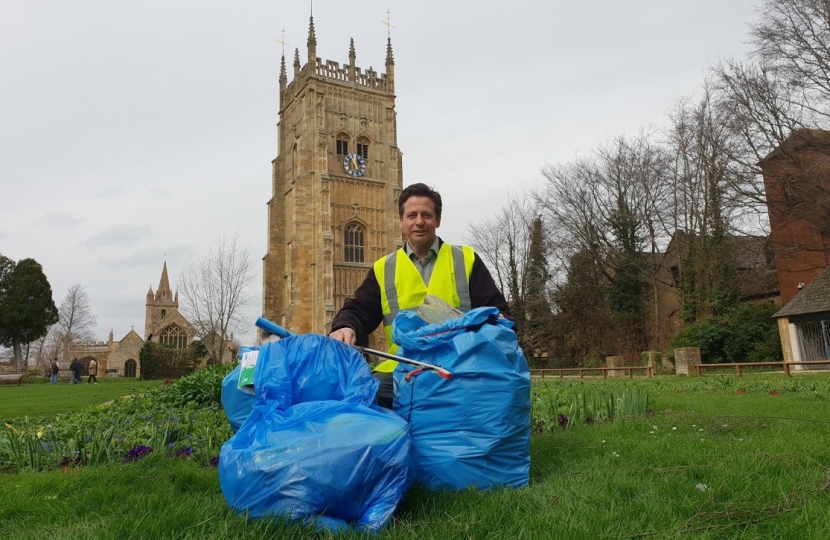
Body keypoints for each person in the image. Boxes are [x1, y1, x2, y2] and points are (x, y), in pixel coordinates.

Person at [329, 183, 511, 406]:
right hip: (402, 366)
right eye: (412, 215)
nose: (419, 222)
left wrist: (498, 320)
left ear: (438, 220)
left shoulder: (466, 259)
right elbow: (360, 309)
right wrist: (344, 326)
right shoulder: (383, 268)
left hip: (460, 363)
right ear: (401, 221)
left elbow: (497, 309)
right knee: (364, 397)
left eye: (426, 215)